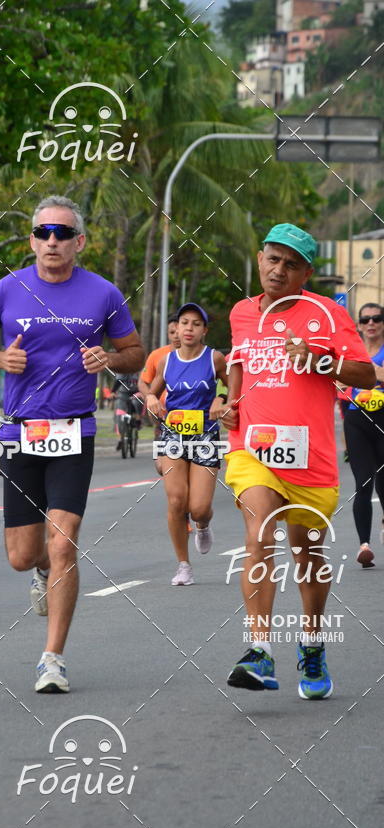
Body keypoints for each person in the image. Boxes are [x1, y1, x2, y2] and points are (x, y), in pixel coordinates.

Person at [0, 195, 144, 693]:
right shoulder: (7, 289)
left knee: (63, 544)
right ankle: (38, 570)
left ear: (79, 241)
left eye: (62, 233)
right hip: (20, 432)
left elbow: (135, 353)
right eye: (43, 232)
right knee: (23, 555)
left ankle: (52, 657)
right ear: (32, 241)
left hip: (73, 432)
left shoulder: (104, 294)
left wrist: (108, 358)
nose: (53, 241)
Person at [220, 223, 375, 700]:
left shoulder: (326, 314)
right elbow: (240, 363)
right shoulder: (242, 313)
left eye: (290, 264)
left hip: (311, 459)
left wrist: (320, 360)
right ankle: (259, 650)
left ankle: (311, 642)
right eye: (272, 259)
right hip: (254, 449)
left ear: (306, 272)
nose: (278, 270)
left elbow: (366, 373)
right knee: (258, 531)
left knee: (308, 556)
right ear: (260, 257)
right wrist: (232, 401)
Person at [146, 302, 228, 585]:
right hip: (172, 435)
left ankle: (203, 525)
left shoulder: (214, 358)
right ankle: (183, 566)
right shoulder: (166, 361)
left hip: (205, 435)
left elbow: (231, 386)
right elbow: (151, 392)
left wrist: (221, 398)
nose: (189, 328)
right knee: (176, 500)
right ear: (177, 329)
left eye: (195, 323)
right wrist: (152, 400)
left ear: (204, 330)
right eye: (184, 323)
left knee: (199, 508)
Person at [340, 302, 384, 567]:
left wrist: (368, 373)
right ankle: (364, 545)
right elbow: (339, 385)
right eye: (366, 319)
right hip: (357, 420)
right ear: (358, 325)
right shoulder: (351, 352)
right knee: (363, 483)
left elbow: (365, 375)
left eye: (376, 318)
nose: (371, 323)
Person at [138, 314, 181, 473]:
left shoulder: (205, 357)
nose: (176, 335)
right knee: (162, 468)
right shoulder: (157, 355)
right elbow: (143, 381)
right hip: (163, 418)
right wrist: (150, 398)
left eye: (178, 331)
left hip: (194, 421)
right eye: (171, 332)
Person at [112, 372, 142, 453]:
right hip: (123, 394)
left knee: (137, 403)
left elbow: (144, 382)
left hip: (136, 393)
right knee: (119, 416)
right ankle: (121, 439)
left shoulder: (139, 370)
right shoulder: (123, 368)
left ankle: (138, 420)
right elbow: (118, 380)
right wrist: (113, 391)